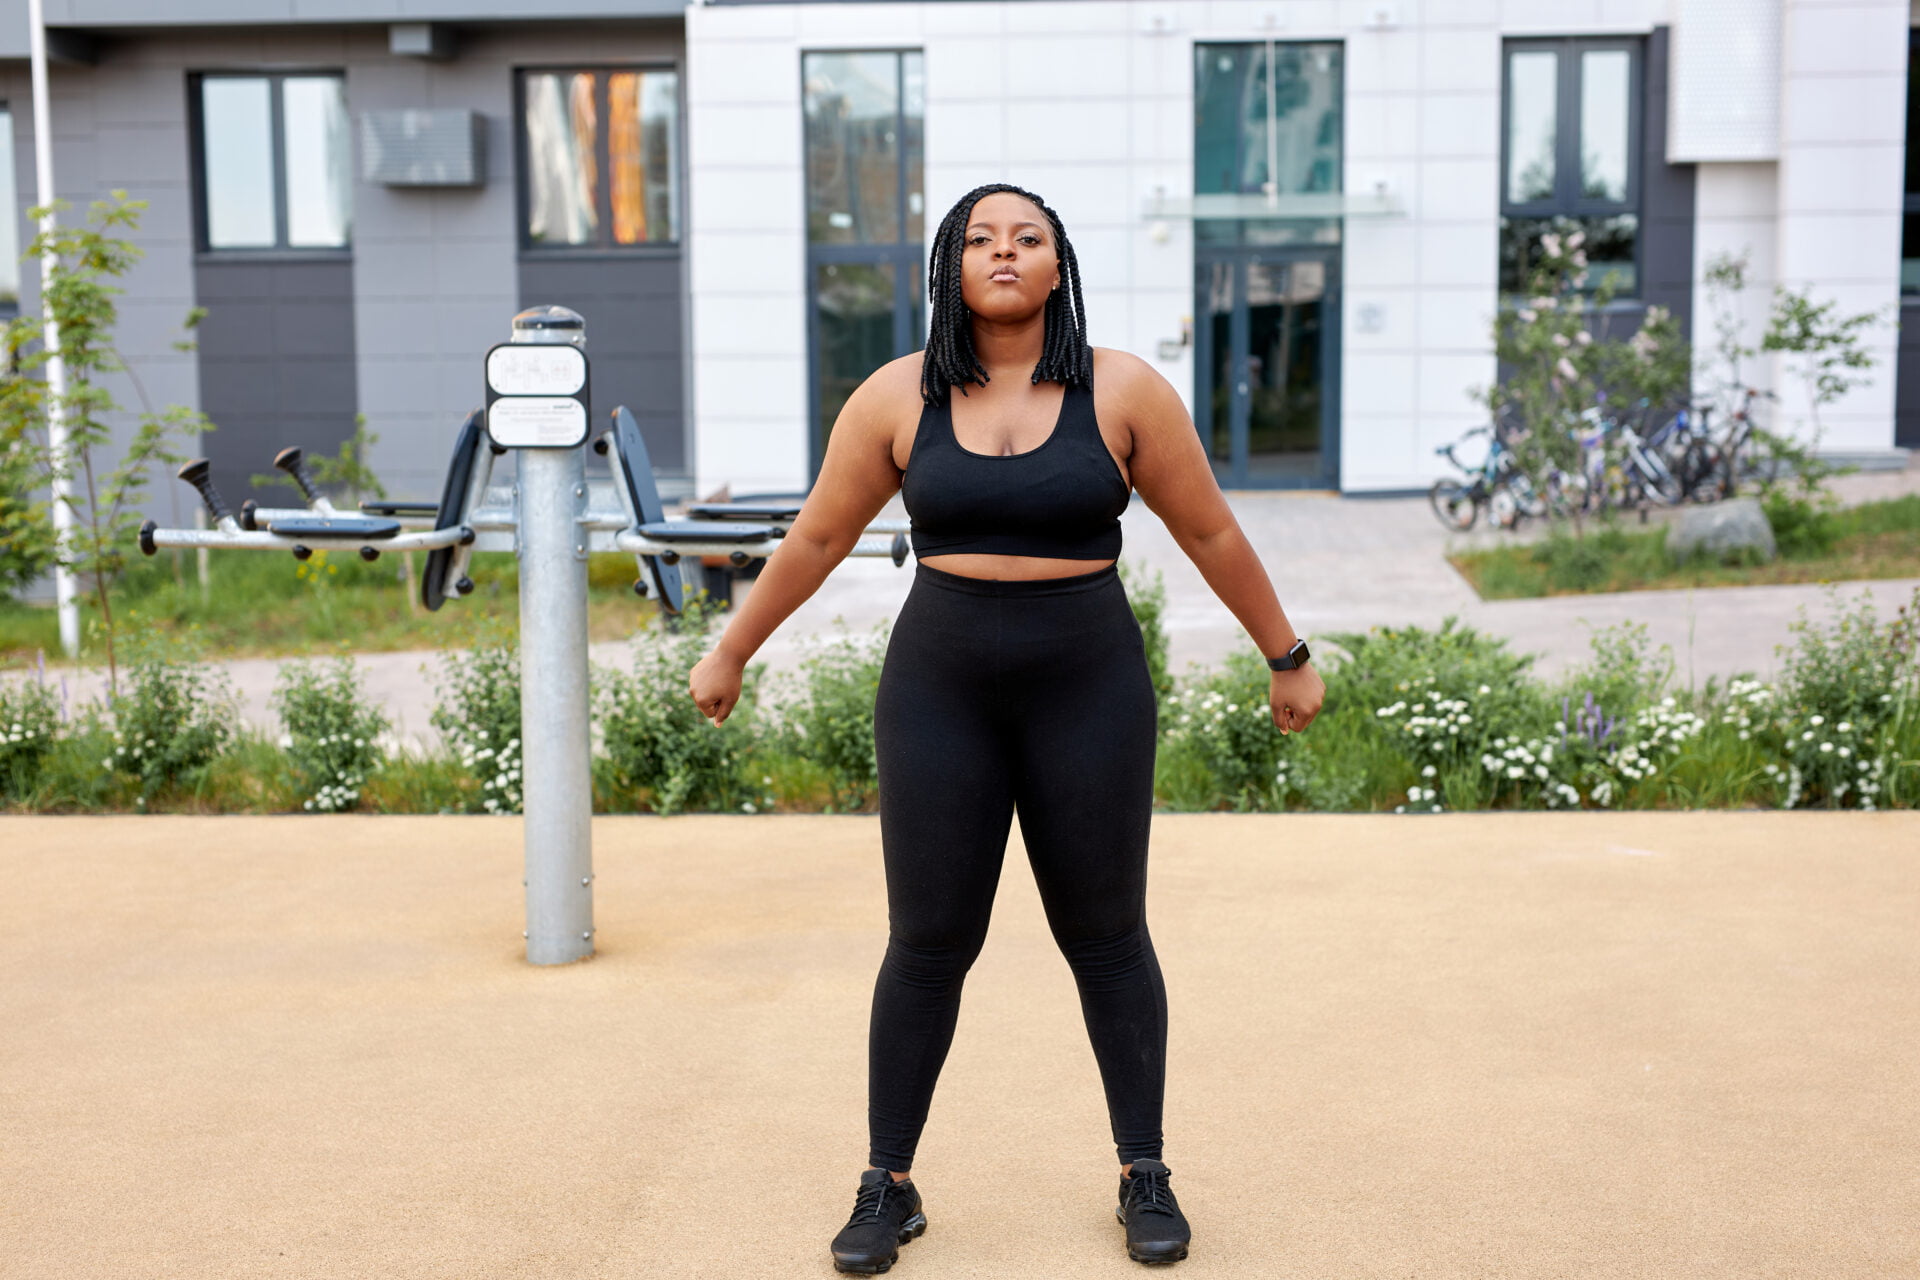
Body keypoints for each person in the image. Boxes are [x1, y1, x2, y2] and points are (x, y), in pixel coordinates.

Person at [686, 182, 1324, 1272]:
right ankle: (888, 1180)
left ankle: (1143, 1167)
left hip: (1090, 685)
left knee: (1108, 933)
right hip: (940, 690)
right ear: (951, 267)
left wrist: (1286, 652)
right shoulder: (895, 396)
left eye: (1028, 237)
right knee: (929, 940)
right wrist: (733, 644)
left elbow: (1210, 527)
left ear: (1059, 264)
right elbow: (817, 536)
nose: (1005, 251)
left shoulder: (1124, 390)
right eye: (981, 238)